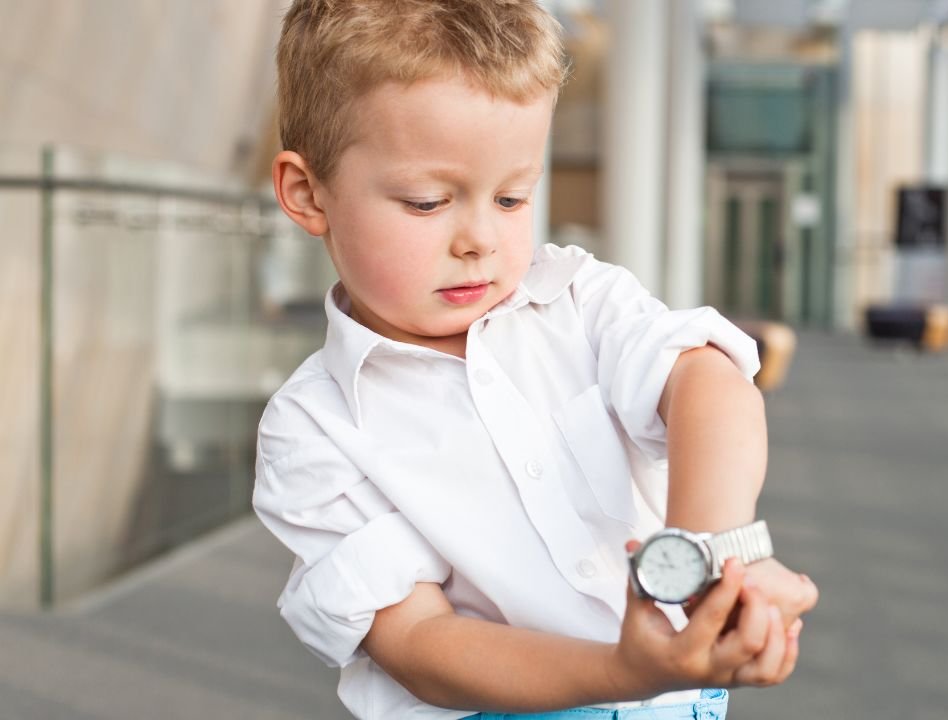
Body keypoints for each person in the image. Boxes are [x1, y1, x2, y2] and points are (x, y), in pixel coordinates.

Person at [253, 1, 819, 718]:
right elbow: (422, 644)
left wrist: (716, 554)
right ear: (308, 194)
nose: (480, 239)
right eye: (428, 203)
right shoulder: (313, 429)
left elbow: (708, 381)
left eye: (514, 197)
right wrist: (623, 671)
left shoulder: (580, 299)